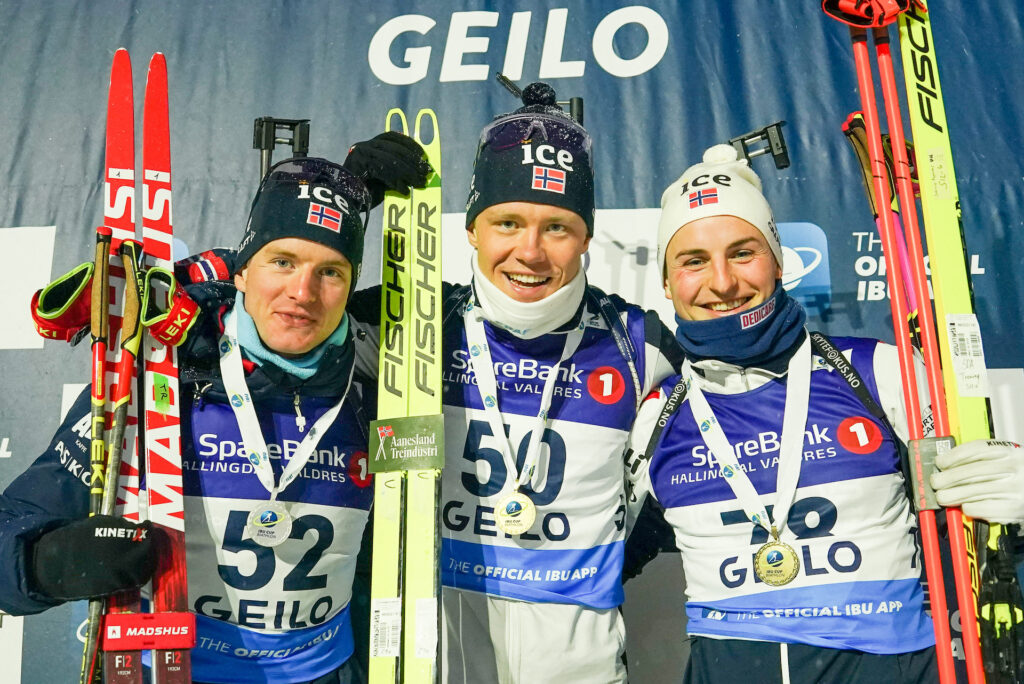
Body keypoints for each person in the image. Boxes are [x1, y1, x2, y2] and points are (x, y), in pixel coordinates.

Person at [0, 137, 431, 684]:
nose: (303, 291)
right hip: (172, 669)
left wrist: (345, 197)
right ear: (243, 270)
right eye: (282, 261)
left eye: (331, 272)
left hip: (328, 670)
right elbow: (11, 527)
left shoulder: (382, 374)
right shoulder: (167, 370)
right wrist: (44, 565)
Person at [623, 143, 1024, 683]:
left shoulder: (881, 374)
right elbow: (593, 557)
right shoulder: (658, 417)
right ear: (668, 283)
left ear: (779, 261)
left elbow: (972, 539)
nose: (722, 282)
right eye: (693, 261)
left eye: (743, 252)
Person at [347, 82, 681, 682]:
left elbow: (720, 428)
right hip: (434, 662)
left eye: (557, 227)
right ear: (472, 230)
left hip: (583, 667)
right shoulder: (410, 321)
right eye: (507, 222)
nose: (528, 252)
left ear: (585, 238)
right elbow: (261, 319)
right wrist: (343, 205)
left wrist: (617, 550)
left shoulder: (639, 344)